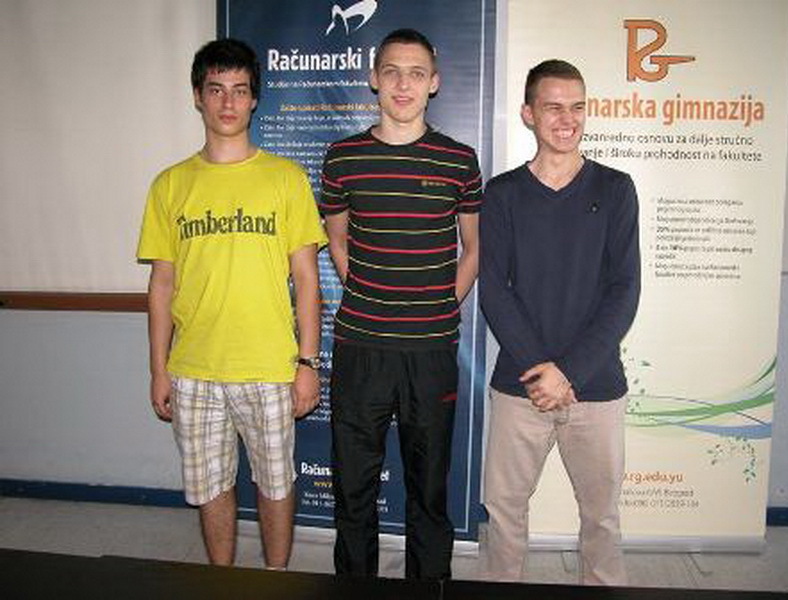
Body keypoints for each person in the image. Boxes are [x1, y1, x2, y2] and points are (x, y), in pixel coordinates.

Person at [137, 38, 327, 569]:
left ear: (254, 99)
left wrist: (308, 363)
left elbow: (307, 281)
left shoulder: (286, 179)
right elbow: (161, 286)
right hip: (193, 371)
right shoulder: (170, 185)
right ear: (197, 96)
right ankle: (221, 582)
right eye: (216, 89)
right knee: (210, 488)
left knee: (275, 484)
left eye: (240, 90)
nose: (228, 102)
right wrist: (158, 370)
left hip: (270, 369)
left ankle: (275, 577)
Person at [318, 28, 482, 580]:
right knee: (353, 490)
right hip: (360, 347)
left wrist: (440, 304)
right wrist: (369, 295)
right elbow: (338, 242)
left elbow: (473, 249)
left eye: (416, 73)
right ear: (374, 79)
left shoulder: (459, 160)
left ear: (433, 83)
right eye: (391, 72)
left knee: (428, 491)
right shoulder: (343, 158)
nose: (403, 84)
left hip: (431, 351)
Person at [479, 59, 640, 585]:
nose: (567, 119)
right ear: (529, 114)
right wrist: (540, 370)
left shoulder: (616, 189)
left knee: (602, 519)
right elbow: (494, 291)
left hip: (596, 387)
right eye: (553, 107)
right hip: (519, 387)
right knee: (504, 514)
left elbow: (624, 291)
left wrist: (567, 372)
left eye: (577, 107)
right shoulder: (502, 194)